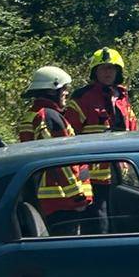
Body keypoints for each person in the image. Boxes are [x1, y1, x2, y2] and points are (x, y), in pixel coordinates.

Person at [66, 46, 137, 234]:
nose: (107, 72)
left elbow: (132, 128)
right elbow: (69, 136)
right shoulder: (83, 98)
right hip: (92, 175)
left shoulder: (122, 98)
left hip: (121, 171)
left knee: (122, 218)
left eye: (112, 68)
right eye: (103, 68)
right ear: (95, 71)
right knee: (98, 221)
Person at [16, 66, 92, 235]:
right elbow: (58, 160)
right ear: (52, 90)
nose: (66, 93)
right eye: (64, 89)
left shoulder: (33, 114)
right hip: (60, 200)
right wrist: (76, 197)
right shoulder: (49, 116)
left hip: (45, 197)